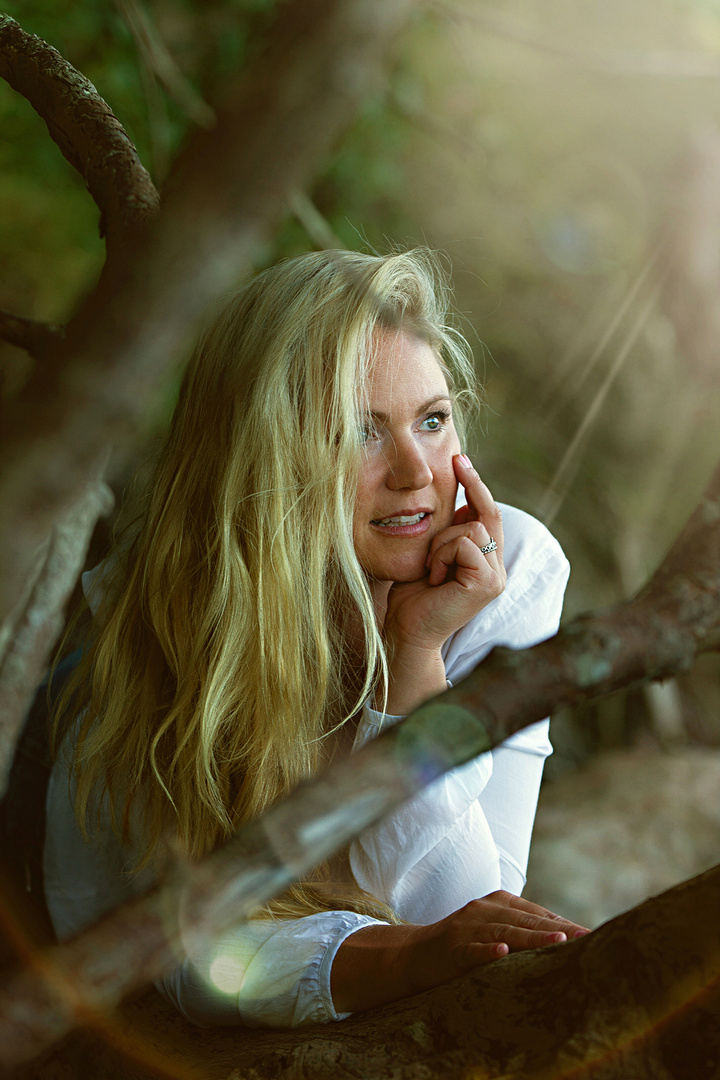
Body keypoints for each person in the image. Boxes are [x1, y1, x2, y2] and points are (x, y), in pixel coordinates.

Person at [45, 248, 586, 1029]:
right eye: (358, 432)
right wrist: (394, 955)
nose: (416, 472)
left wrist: (415, 657)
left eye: (432, 421)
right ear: (267, 452)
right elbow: (168, 954)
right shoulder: (167, 603)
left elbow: (469, 916)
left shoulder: (506, 572)